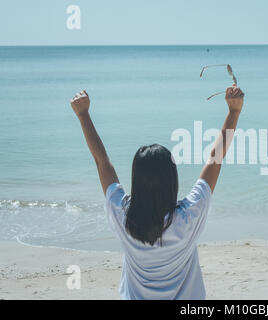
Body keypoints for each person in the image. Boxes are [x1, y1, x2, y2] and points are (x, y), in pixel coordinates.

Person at [70, 85, 245, 299]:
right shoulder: (188, 218)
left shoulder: (124, 217)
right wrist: (234, 111)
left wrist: (83, 114)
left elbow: (102, 162)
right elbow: (215, 159)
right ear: (172, 179)